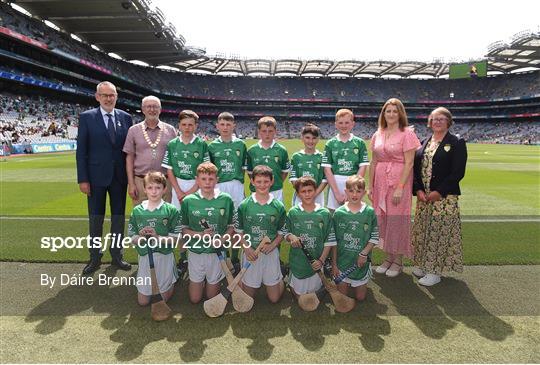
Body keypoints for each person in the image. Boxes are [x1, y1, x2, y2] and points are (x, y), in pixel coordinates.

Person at [76, 81, 132, 275]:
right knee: (95, 219)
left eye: (112, 95)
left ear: (116, 96)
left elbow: (128, 151)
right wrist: (83, 179)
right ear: (97, 96)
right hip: (95, 178)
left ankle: (117, 255)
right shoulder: (86, 117)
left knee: (118, 219)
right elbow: (81, 151)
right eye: (105, 95)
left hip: (119, 178)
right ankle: (94, 257)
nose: (109, 98)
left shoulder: (126, 117)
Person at [411, 107, 467, 286]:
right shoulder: (425, 141)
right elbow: (415, 169)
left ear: (449, 121)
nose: (438, 121)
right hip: (424, 199)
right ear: (430, 122)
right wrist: (418, 189)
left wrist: (439, 192)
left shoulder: (457, 142)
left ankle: (434, 271)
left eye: (442, 119)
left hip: (444, 199)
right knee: (423, 231)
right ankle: (423, 264)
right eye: (434, 119)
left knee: (439, 233)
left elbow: (458, 172)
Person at [368, 98, 421, 278]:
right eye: (388, 111)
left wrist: (400, 186)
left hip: (399, 181)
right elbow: (373, 162)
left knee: (397, 219)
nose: (391, 114)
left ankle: (398, 260)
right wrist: (370, 186)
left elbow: (409, 162)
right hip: (380, 182)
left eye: (394, 111)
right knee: (383, 219)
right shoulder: (378, 134)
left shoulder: (407, 133)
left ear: (400, 114)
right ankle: (387, 258)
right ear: (383, 113)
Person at [162, 110, 210, 276]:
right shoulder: (172, 144)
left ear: (196, 126)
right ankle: (183, 258)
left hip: (197, 186)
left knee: (196, 222)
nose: (187, 127)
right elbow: (169, 171)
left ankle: (197, 255)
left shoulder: (202, 144)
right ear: (179, 126)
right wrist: (178, 191)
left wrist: (191, 191)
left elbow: (205, 171)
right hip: (177, 188)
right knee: (181, 225)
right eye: (184, 124)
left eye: (191, 124)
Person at [180, 162, 235, 303]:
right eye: (203, 179)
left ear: (217, 180)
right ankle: (198, 279)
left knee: (211, 297)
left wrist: (222, 240)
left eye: (211, 179)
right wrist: (200, 235)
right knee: (195, 299)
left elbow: (231, 226)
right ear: (197, 180)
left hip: (216, 254)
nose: (207, 182)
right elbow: (184, 229)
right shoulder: (188, 201)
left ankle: (214, 278)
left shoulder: (226, 200)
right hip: (196, 252)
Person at [235, 165, 287, 303]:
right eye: (258, 181)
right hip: (250, 254)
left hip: (270, 253)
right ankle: (244, 281)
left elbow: (282, 232)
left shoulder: (278, 206)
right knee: (249, 297)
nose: (262, 185)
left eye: (265, 181)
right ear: (252, 181)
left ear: (272, 181)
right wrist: (246, 248)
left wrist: (274, 245)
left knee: (274, 299)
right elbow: (239, 232)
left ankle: (281, 279)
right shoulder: (244, 205)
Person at [128, 172, 180, 306]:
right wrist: (140, 238)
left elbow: (175, 239)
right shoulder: (137, 211)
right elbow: (132, 236)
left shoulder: (171, 210)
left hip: (164, 257)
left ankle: (172, 280)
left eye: (158, 187)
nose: (154, 191)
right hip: (146, 258)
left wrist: (157, 238)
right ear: (144, 189)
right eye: (150, 188)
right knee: (143, 302)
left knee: (162, 299)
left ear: (164, 189)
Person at [285, 176, 335, 298]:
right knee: (300, 297)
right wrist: (291, 237)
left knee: (314, 296)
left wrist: (321, 261)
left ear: (315, 191)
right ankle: (290, 281)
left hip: (317, 263)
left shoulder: (324, 213)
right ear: (298, 194)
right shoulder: (293, 212)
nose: (307, 194)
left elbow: (330, 240)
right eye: (303, 191)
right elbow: (285, 232)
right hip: (299, 263)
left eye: (310, 190)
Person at [332, 175, 379, 301]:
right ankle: (346, 282)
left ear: (364, 192)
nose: (354, 194)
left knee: (360, 298)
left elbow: (375, 236)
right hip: (343, 262)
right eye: (351, 191)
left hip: (361, 263)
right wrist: (334, 264)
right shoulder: (339, 213)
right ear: (346, 191)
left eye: (358, 191)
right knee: (343, 297)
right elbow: (334, 241)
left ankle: (359, 282)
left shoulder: (369, 212)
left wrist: (364, 254)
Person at [123, 96, 177, 206]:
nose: (152, 109)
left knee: (164, 218)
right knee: (142, 218)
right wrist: (131, 183)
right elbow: (129, 158)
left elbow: (175, 158)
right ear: (143, 109)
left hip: (164, 182)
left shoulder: (170, 130)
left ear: (160, 109)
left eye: (155, 107)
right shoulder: (133, 130)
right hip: (141, 181)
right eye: (148, 106)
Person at [322, 109, 369, 211]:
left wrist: (354, 190)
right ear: (336, 124)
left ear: (352, 124)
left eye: (347, 122)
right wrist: (337, 193)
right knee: (334, 216)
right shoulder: (330, 144)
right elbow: (327, 169)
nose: (344, 125)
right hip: (335, 184)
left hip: (354, 184)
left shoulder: (359, 143)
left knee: (353, 215)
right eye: (340, 123)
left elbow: (363, 166)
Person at [246, 116, 290, 202]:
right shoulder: (252, 150)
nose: (267, 134)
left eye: (270, 131)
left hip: (276, 191)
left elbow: (284, 172)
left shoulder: (281, 150)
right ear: (259, 132)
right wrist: (259, 184)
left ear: (275, 131)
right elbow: (250, 173)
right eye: (264, 131)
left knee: (276, 214)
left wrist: (274, 182)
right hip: (256, 191)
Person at [289, 123, 327, 207]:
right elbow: (293, 178)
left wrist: (314, 194)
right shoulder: (296, 157)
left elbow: (324, 180)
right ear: (302, 138)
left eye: (314, 138)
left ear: (318, 139)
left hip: (317, 196)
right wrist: (302, 193)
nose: (310, 141)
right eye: (307, 138)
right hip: (300, 196)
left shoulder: (322, 157)